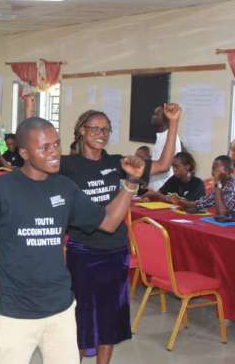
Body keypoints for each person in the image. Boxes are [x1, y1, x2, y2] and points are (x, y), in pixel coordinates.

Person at [0, 117, 144, 364]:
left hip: (60, 309)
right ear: (25, 153)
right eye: (45, 147)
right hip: (15, 314)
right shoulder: (2, 188)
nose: (54, 153)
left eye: (56, 144)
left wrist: (131, 182)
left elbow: (108, 222)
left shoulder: (65, 188)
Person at [61, 104, 181, 364]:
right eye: (95, 128)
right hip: (83, 251)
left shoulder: (118, 163)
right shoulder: (66, 165)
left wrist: (173, 124)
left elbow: (163, 163)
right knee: (81, 318)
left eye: (106, 129)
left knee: (109, 318)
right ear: (82, 131)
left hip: (115, 252)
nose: (101, 134)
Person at [149, 105, 183, 191]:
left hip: (163, 189)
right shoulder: (161, 136)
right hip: (155, 188)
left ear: (166, 118)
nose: (153, 117)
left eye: (156, 115)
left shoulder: (170, 138)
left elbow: (166, 166)